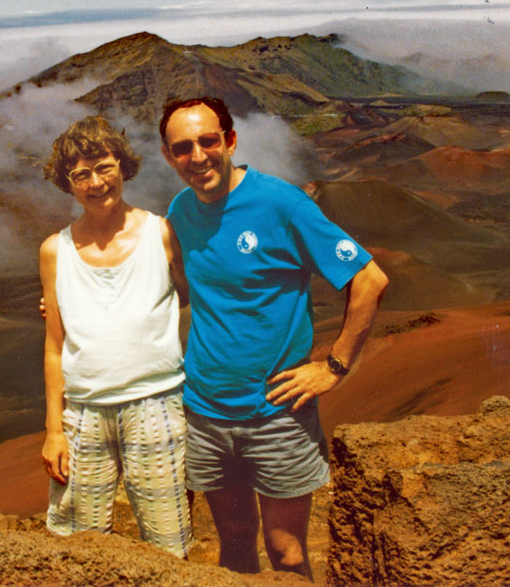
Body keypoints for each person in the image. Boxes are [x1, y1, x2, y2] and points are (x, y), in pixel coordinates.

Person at [158, 96, 388, 577]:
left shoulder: (280, 203)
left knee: (287, 553)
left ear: (231, 141)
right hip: (206, 414)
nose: (197, 157)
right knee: (235, 547)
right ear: (168, 155)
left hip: (276, 415)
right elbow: (175, 288)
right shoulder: (180, 211)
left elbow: (369, 279)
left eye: (207, 141)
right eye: (183, 148)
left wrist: (335, 366)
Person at [39, 115, 193, 558]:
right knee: (78, 546)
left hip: (157, 402)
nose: (96, 182)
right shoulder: (56, 251)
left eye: (104, 167)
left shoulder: (162, 233)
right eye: (80, 174)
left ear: (123, 166)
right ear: (67, 184)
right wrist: (54, 430)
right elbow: (54, 346)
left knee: (168, 544)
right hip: (83, 411)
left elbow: (188, 296)